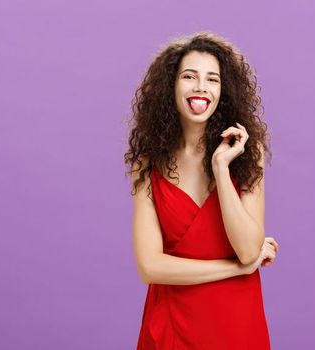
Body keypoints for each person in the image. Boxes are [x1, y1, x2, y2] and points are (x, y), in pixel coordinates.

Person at [124, 32, 278, 349]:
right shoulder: (147, 163)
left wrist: (222, 169)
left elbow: (249, 249)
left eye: (212, 79)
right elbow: (150, 267)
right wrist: (237, 268)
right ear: (171, 86)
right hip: (170, 325)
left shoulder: (248, 154)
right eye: (189, 76)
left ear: (224, 91)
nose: (200, 87)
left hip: (236, 323)